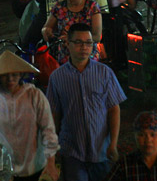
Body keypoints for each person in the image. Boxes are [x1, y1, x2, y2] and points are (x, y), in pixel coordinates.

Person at [46, 23, 126, 181]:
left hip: (101, 150)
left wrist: (113, 143)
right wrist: (52, 148)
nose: (84, 47)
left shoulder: (104, 73)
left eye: (88, 43)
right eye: (78, 42)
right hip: (72, 151)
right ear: (68, 44)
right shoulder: (57, 78)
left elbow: (114, 109)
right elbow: (54, 114)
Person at [0, 51, 59, 181]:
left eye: (14, 74)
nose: (10, 79)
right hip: (7, 169)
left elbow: (48, 130)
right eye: (5, 75)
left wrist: (51, 163)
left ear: (21, 74)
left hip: (36, 167)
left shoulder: (34, 95)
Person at [42, 0, 102, 64]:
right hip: (64, 55)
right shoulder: (59, 7)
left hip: (86, 55)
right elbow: (47, 27)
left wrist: (73, 40)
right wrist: (46, 31)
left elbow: (96, 37)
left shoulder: (92, 8)